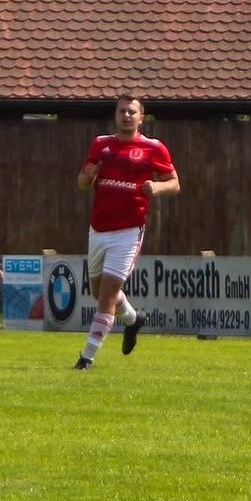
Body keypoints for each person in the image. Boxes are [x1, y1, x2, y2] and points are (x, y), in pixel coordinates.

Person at [73, 94, 180, 369]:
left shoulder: (153, 148)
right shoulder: (101, 144)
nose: (127, 116)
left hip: (128, 231)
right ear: (116, 115)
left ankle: (86, 358)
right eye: (122, 111)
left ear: (141, 117)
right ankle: (133, 319)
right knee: (99, 292)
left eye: (132, 112)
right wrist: (87, 177)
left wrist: (156, 187)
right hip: (98, 229)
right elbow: (83, 182)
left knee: (107, 296)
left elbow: (174, 183)